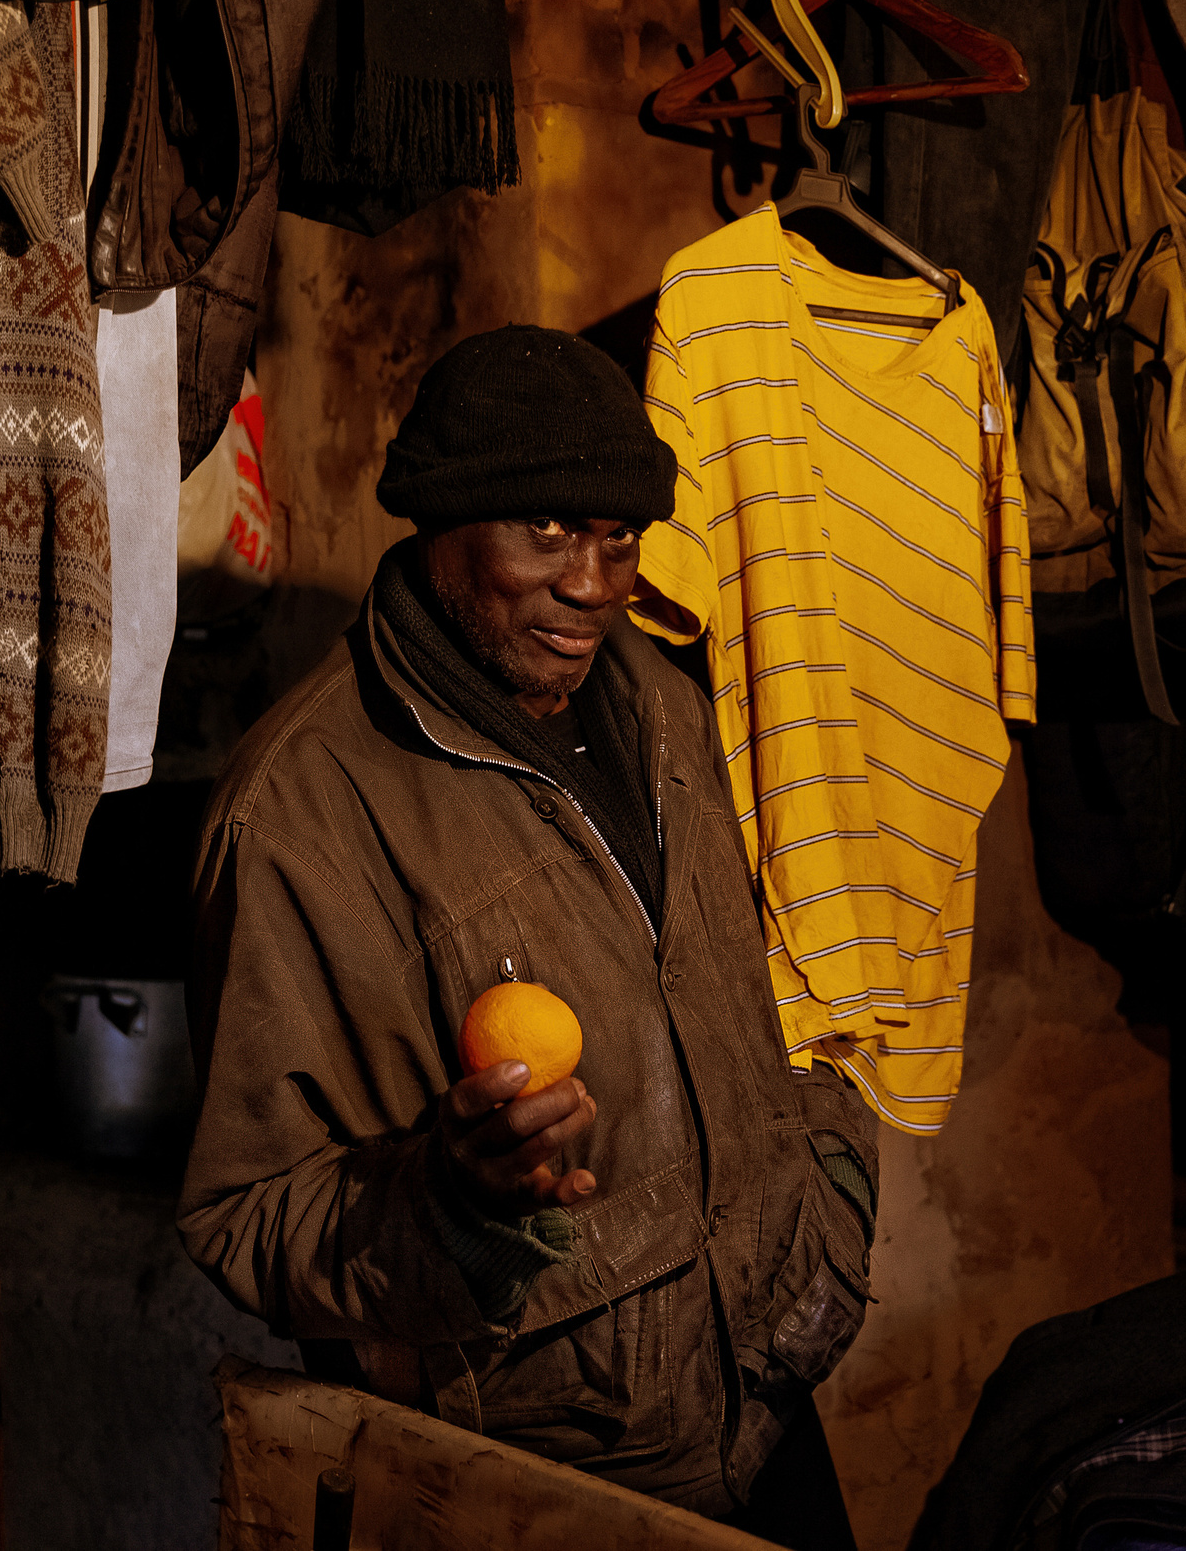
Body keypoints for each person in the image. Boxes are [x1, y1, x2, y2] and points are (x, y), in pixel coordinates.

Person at [180, 325, 878, 1544]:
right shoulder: (301, 812)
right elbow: (246, 1213)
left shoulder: (664, 708)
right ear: (441, 522)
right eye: (543, 532)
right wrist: (455, 1198)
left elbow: (755, 995)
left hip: (769, 1412)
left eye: (615, 536)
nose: (592, 581)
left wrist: (830, 1179)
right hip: (539, 1482)